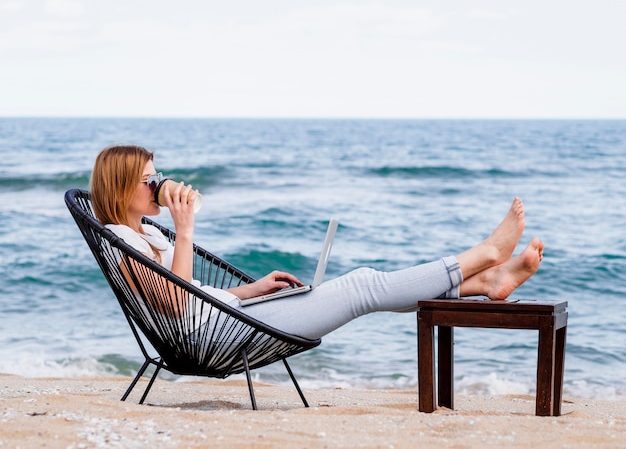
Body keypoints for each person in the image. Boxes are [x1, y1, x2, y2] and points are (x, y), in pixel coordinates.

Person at [90, 145, 544, 339]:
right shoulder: (119, 239)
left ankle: (485, 283)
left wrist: (254, 289)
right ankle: (483, 256)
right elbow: (175, 306)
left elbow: (193, 294)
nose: (159, 185)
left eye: (157, 176)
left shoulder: (146, 233)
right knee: (363, 285)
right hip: (218, 335)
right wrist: (186, 231)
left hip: (233, 316)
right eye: (149, 180)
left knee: (363, 287)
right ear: (121, 187)